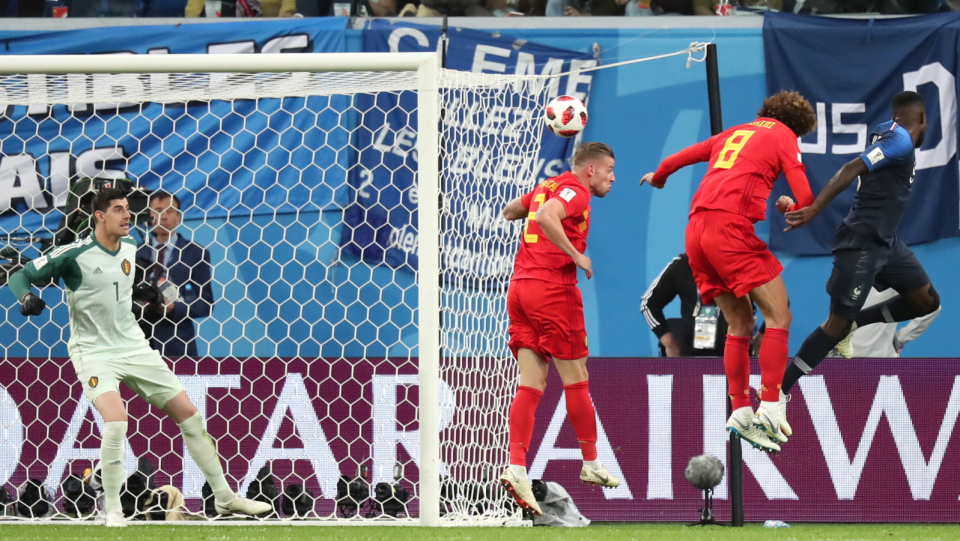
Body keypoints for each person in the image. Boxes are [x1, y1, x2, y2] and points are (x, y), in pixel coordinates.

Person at [7, 188, 269, 527]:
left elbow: (124, 290)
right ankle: (113, 508)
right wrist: (25, 297)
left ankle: (224, 497)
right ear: (99, 216)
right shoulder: (75, 253)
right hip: (94, 351)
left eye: (128, 209)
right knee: (116, 420)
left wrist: (146, 298)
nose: (127, 216)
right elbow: (20, 274)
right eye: (118, 209)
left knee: (189, 415)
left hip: (134, 346)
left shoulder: (131, 247)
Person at [640, 90, 818, 453]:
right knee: (779, 315)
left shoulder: (732, 134)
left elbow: (677, 159)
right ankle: (770, 404)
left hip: (696, 232)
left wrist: (658, 177)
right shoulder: (783, 135)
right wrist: (796, 206)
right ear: (796, 128)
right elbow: (807, 198)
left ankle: (740, 409)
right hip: (730, 230)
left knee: (740, 323)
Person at [780, 91, 941, 399]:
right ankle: (778, 393)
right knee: (834, 327)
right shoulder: (901, 142)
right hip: (861, 243)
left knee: (926, 300)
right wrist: (814, 208)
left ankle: (857, 323)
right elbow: (851, 168)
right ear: (922, 119)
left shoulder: (884, 129)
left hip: (887, 242)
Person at [498, 142, 620, 516]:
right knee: (576, 377)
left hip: (519, 288)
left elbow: (511, 211)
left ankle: (517, 467)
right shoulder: (577, 192)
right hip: (552, 290)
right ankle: (591, 461)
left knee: (531, 384)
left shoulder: (550, 185)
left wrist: (538, 202)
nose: (613, 177)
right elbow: (548, 216)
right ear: (590, 171)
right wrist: (575, 254)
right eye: (609, 170)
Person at [136, 191, 214, 358]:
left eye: (169, 211)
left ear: (179, 217)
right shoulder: (133, 253)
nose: (163, 216)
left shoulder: (196, 253)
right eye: (157, 210)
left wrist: (173, 308)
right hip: (138, 344)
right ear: (149, 216)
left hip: (178, 345)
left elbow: (205, 303)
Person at [641, 253, 730, 357]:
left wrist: (754, 339)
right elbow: (648, 303)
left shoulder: (741, 264)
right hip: (692, 358)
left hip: (737, 355)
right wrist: (669, 343)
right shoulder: (682, 265)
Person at [847, 287, 941, 357]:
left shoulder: (892, 272)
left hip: (882, 362)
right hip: (843, 364)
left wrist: (901, 338)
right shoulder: (843, 274)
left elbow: (930, 306)